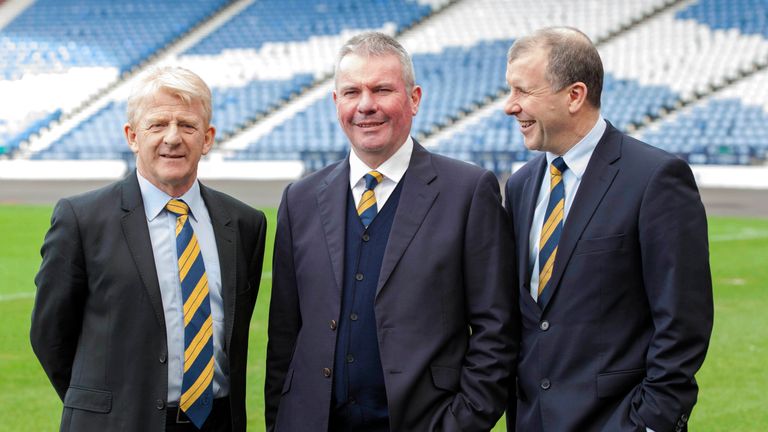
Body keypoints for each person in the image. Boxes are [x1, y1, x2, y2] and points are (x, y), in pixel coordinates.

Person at [265, 32, 517, 432]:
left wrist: (460, 423)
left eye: (382, 89)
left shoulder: (468, 192)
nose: (366, 105)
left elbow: (496, 330)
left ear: (414, 99)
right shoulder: (300, 199)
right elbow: (284, 339)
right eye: (352, 92)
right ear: (336, 104)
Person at [30, 66, 267, 432]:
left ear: (207, 138)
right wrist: (105, 408)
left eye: (187, 126)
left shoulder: (244, 224)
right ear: (132, 136)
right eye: (157, 125)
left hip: (216, 422)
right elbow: (50, 336)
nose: (172, 138)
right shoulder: (82, 219)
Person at [503, 27, 714, 432]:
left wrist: (652, 422)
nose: (510, 106)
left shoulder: (655, 178)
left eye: (522, 91)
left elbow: (683, 322)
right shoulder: (520, 187)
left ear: (575, 96)